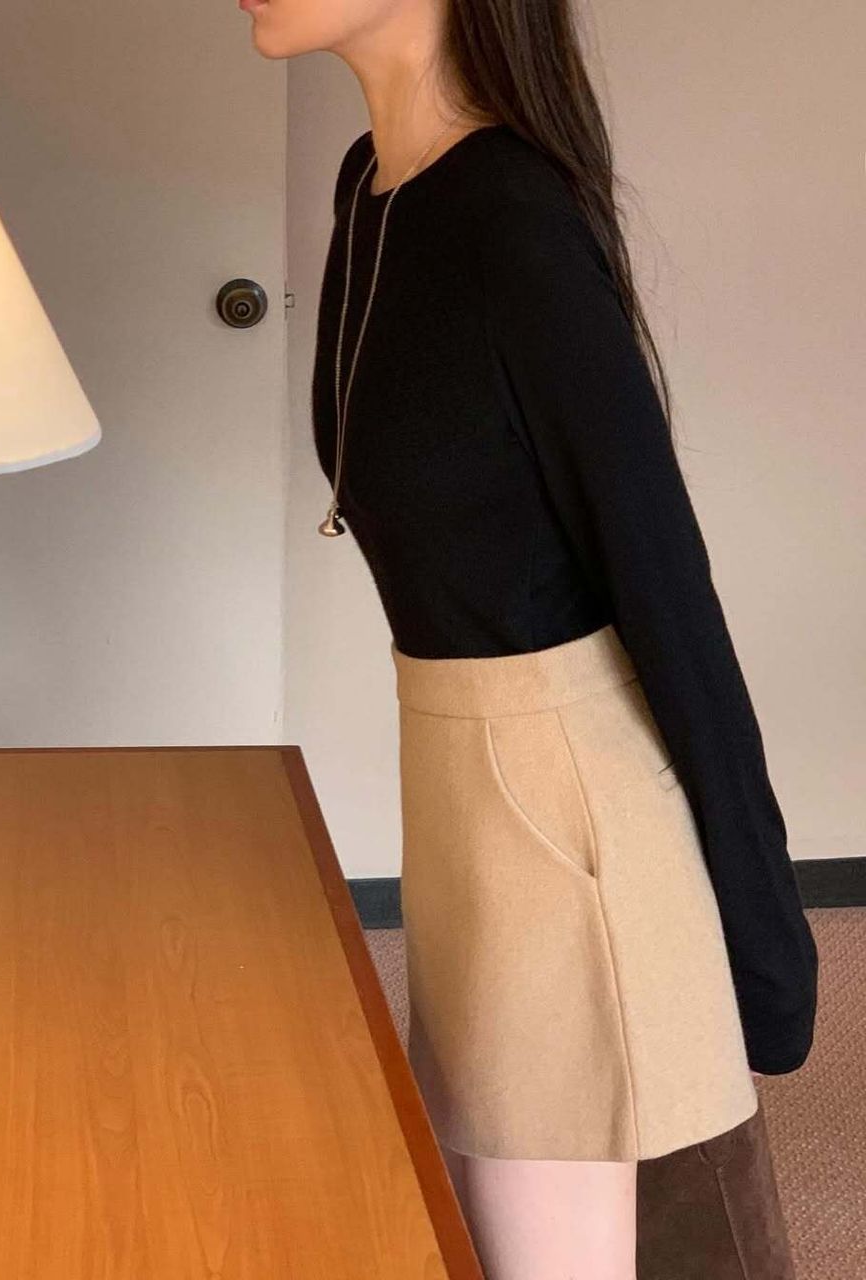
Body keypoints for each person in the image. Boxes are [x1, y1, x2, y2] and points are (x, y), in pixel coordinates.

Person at [244, 2, 818, 1276]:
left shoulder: (512, 220)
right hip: (462, 782)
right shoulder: (375, 184)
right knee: (473, 1204)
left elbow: (662, 579)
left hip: (565, 815)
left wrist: (764, 932)